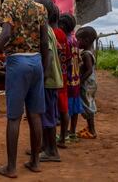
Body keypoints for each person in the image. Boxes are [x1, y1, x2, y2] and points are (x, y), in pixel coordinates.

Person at [0, 0, 49, 177]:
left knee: (14, 117)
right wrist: (44, 69)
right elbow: (43, 42)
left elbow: (5, 35)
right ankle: (35, 162)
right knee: (35, 115)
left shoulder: (8, 5)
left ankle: (11, 167)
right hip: (37, 63)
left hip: (17, 63)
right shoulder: (40, 8)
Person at [34, 0, 63, 162]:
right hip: (51, 80)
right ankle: (45, 147)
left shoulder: (45, 30)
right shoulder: (48, 29)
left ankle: (52, 151)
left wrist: (43, 75)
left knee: (48, 117)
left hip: (49, 80)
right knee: (46, 115)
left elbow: (50, 54)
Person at [59, 13, 83, 143]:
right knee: (75, 108)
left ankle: (64, 136)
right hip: (76, 80)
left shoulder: (65, 41)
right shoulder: (75, 41)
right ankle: (72, 132)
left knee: (65, 109)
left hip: (67, 80)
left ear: (62, 26)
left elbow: (65, 61)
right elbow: (78, 59)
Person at [49, 8, 71, 149]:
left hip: (52, 77)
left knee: (49, 110)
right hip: (63, 76)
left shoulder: (51, 33)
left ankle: (48, 143)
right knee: (63, 109)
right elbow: (68, 58)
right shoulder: (63, 34)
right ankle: (63, 137)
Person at [76, 26, 98, 139]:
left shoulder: (85, 54)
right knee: (89, 103)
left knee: (87, 105)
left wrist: (80, 81)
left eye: (78, 39)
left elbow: (89, 70)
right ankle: (89, 128)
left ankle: (92, 130)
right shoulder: (90, 51)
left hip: (87, 83)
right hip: (91, 83)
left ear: (86, 41)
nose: (76, 41)